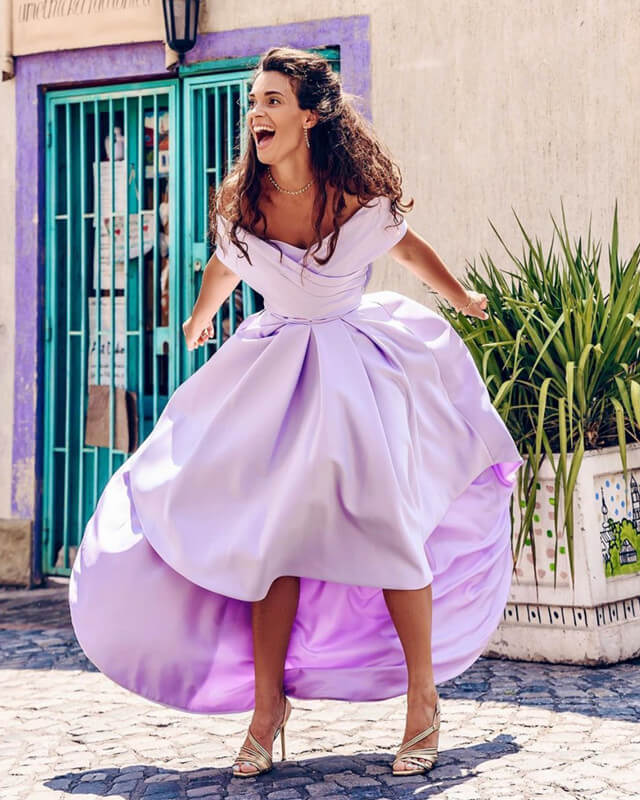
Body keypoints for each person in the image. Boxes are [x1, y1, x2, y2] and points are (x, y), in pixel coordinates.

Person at [69, 46, 524, 780]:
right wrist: (199, 317)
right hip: (276, 377)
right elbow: (226, 263)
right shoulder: (247, 202)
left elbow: (408, 251)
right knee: (271, 541)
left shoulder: (354, 197)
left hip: (354, 379)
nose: (258, 113)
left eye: (273, 100)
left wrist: (463, 298)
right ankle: (267, 707)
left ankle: (423, 700)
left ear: (310, 115)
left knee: (388, 529)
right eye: (255, 101)